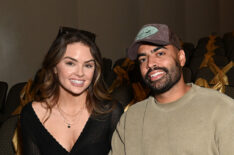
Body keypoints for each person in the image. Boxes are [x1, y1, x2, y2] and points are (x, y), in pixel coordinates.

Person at [109, 23, 234, 155]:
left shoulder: (221, 109)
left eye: (160, 53)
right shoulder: (130, 119)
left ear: (181, 58)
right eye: (143, 59)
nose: (150, 64)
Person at [20, 26, 123, 155]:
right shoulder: (32, 114)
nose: (80, 73)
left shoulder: (111, 113)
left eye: (88, 65)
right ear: (54, 67)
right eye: (70, 63)